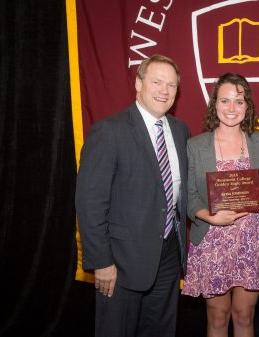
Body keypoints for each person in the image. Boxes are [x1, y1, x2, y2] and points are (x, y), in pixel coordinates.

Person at [75, 54, 190, 337]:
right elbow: (89, 203)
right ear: (139, 83)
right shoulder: (109, 130)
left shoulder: (180, 130)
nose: (164, 90)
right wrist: (101, 261)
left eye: (172, 85)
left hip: (167, 257)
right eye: (157, 82)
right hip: (120, 262)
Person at [181, 73, 259, 337]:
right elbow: (190, 195)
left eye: (239, 102)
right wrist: (209, 216)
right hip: (212, 240)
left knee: (245, 315)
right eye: (225, 101)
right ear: (214, 104)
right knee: (218, 317)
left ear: (248, 106)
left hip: (251, 240)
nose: (232, 109)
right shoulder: (196, 145)